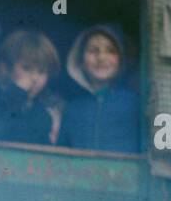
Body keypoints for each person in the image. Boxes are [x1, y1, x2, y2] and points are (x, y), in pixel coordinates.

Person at [57, 22, 142, 153]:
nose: (101, 57)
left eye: (111, 51)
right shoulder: (72, 109)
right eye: (93, 50)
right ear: (80, 60)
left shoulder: (135, 103)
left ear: (121, 60)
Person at [0, 29, 61, 144]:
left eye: (41, 72)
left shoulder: (42, 115)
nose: (35, 78)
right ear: (5, 68)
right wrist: (16, 95)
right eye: (27, 68)